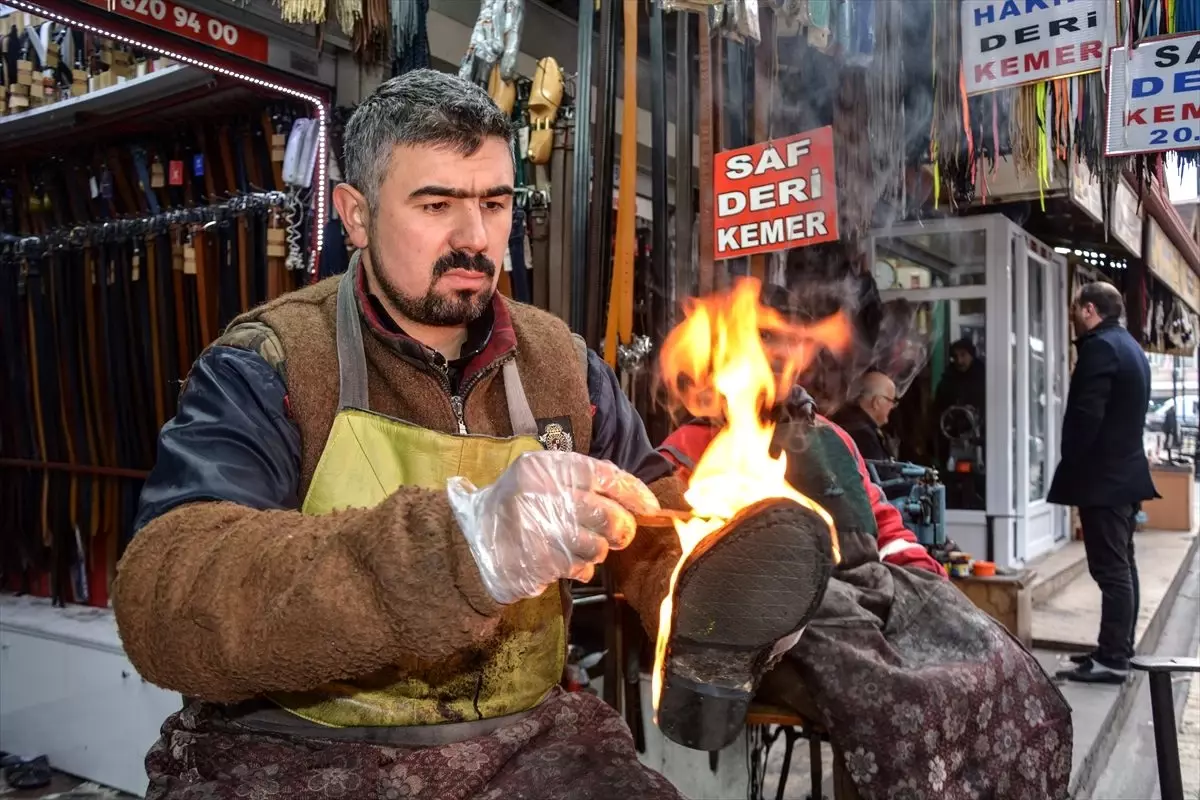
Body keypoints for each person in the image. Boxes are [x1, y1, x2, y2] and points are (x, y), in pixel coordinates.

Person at [112, 70, 704, 799]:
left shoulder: (561, 364)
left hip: (524, 744)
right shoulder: (273, 362)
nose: (475, 238)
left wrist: (711, 575)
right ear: (355, 215)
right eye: (436, 204)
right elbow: (166, 597)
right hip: (304, 749)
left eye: (493, 202)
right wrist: (462, 549)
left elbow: (653, 515)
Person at [658, 288, 1073, 799]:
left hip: (874, 592)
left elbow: (885, 526)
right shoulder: (687, 453)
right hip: (785, 627)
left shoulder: (833, 438)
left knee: (1000, 663)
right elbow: (678, 565)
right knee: (904, 707)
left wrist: (928, 588)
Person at [1049, 281, 1158, 685]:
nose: (1073, 316)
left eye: (1076, 308)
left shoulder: (1099, 348)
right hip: (1123, 477)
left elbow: (1085, 417)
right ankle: (1117, 649)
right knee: (1122, 568)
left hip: (1105, 480)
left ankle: (1113, 658)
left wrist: (1073, 466)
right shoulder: (1128, 345)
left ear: (1090, 309)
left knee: (1112, 571)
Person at [828, 369, 899, 462]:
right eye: (891, 401)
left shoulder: (844, 419)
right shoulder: (863, 436)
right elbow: (883, 474)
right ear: (877, 402)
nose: (892, 407)